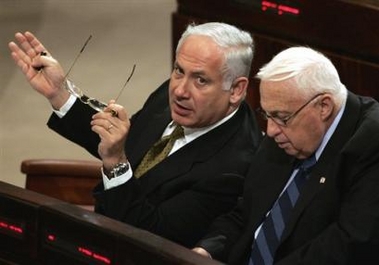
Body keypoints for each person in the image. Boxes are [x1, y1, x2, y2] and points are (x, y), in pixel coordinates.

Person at [8, 22, 263, 248]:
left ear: (236, 90)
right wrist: (59, 94)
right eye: (178, 70)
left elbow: (151, 237)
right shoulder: (176, 95)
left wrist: (117, 163)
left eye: (201, 80)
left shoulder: (233, 168)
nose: (180, 90)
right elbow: (127, 140)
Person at [194, 46, 379, 264]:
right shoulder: (287, 131)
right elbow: (247, 214)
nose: (270, 130)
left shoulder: (370, 143)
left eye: (281, 117)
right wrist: (206, 251)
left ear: (324, 106)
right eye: (266, 114)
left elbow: (349, 245)